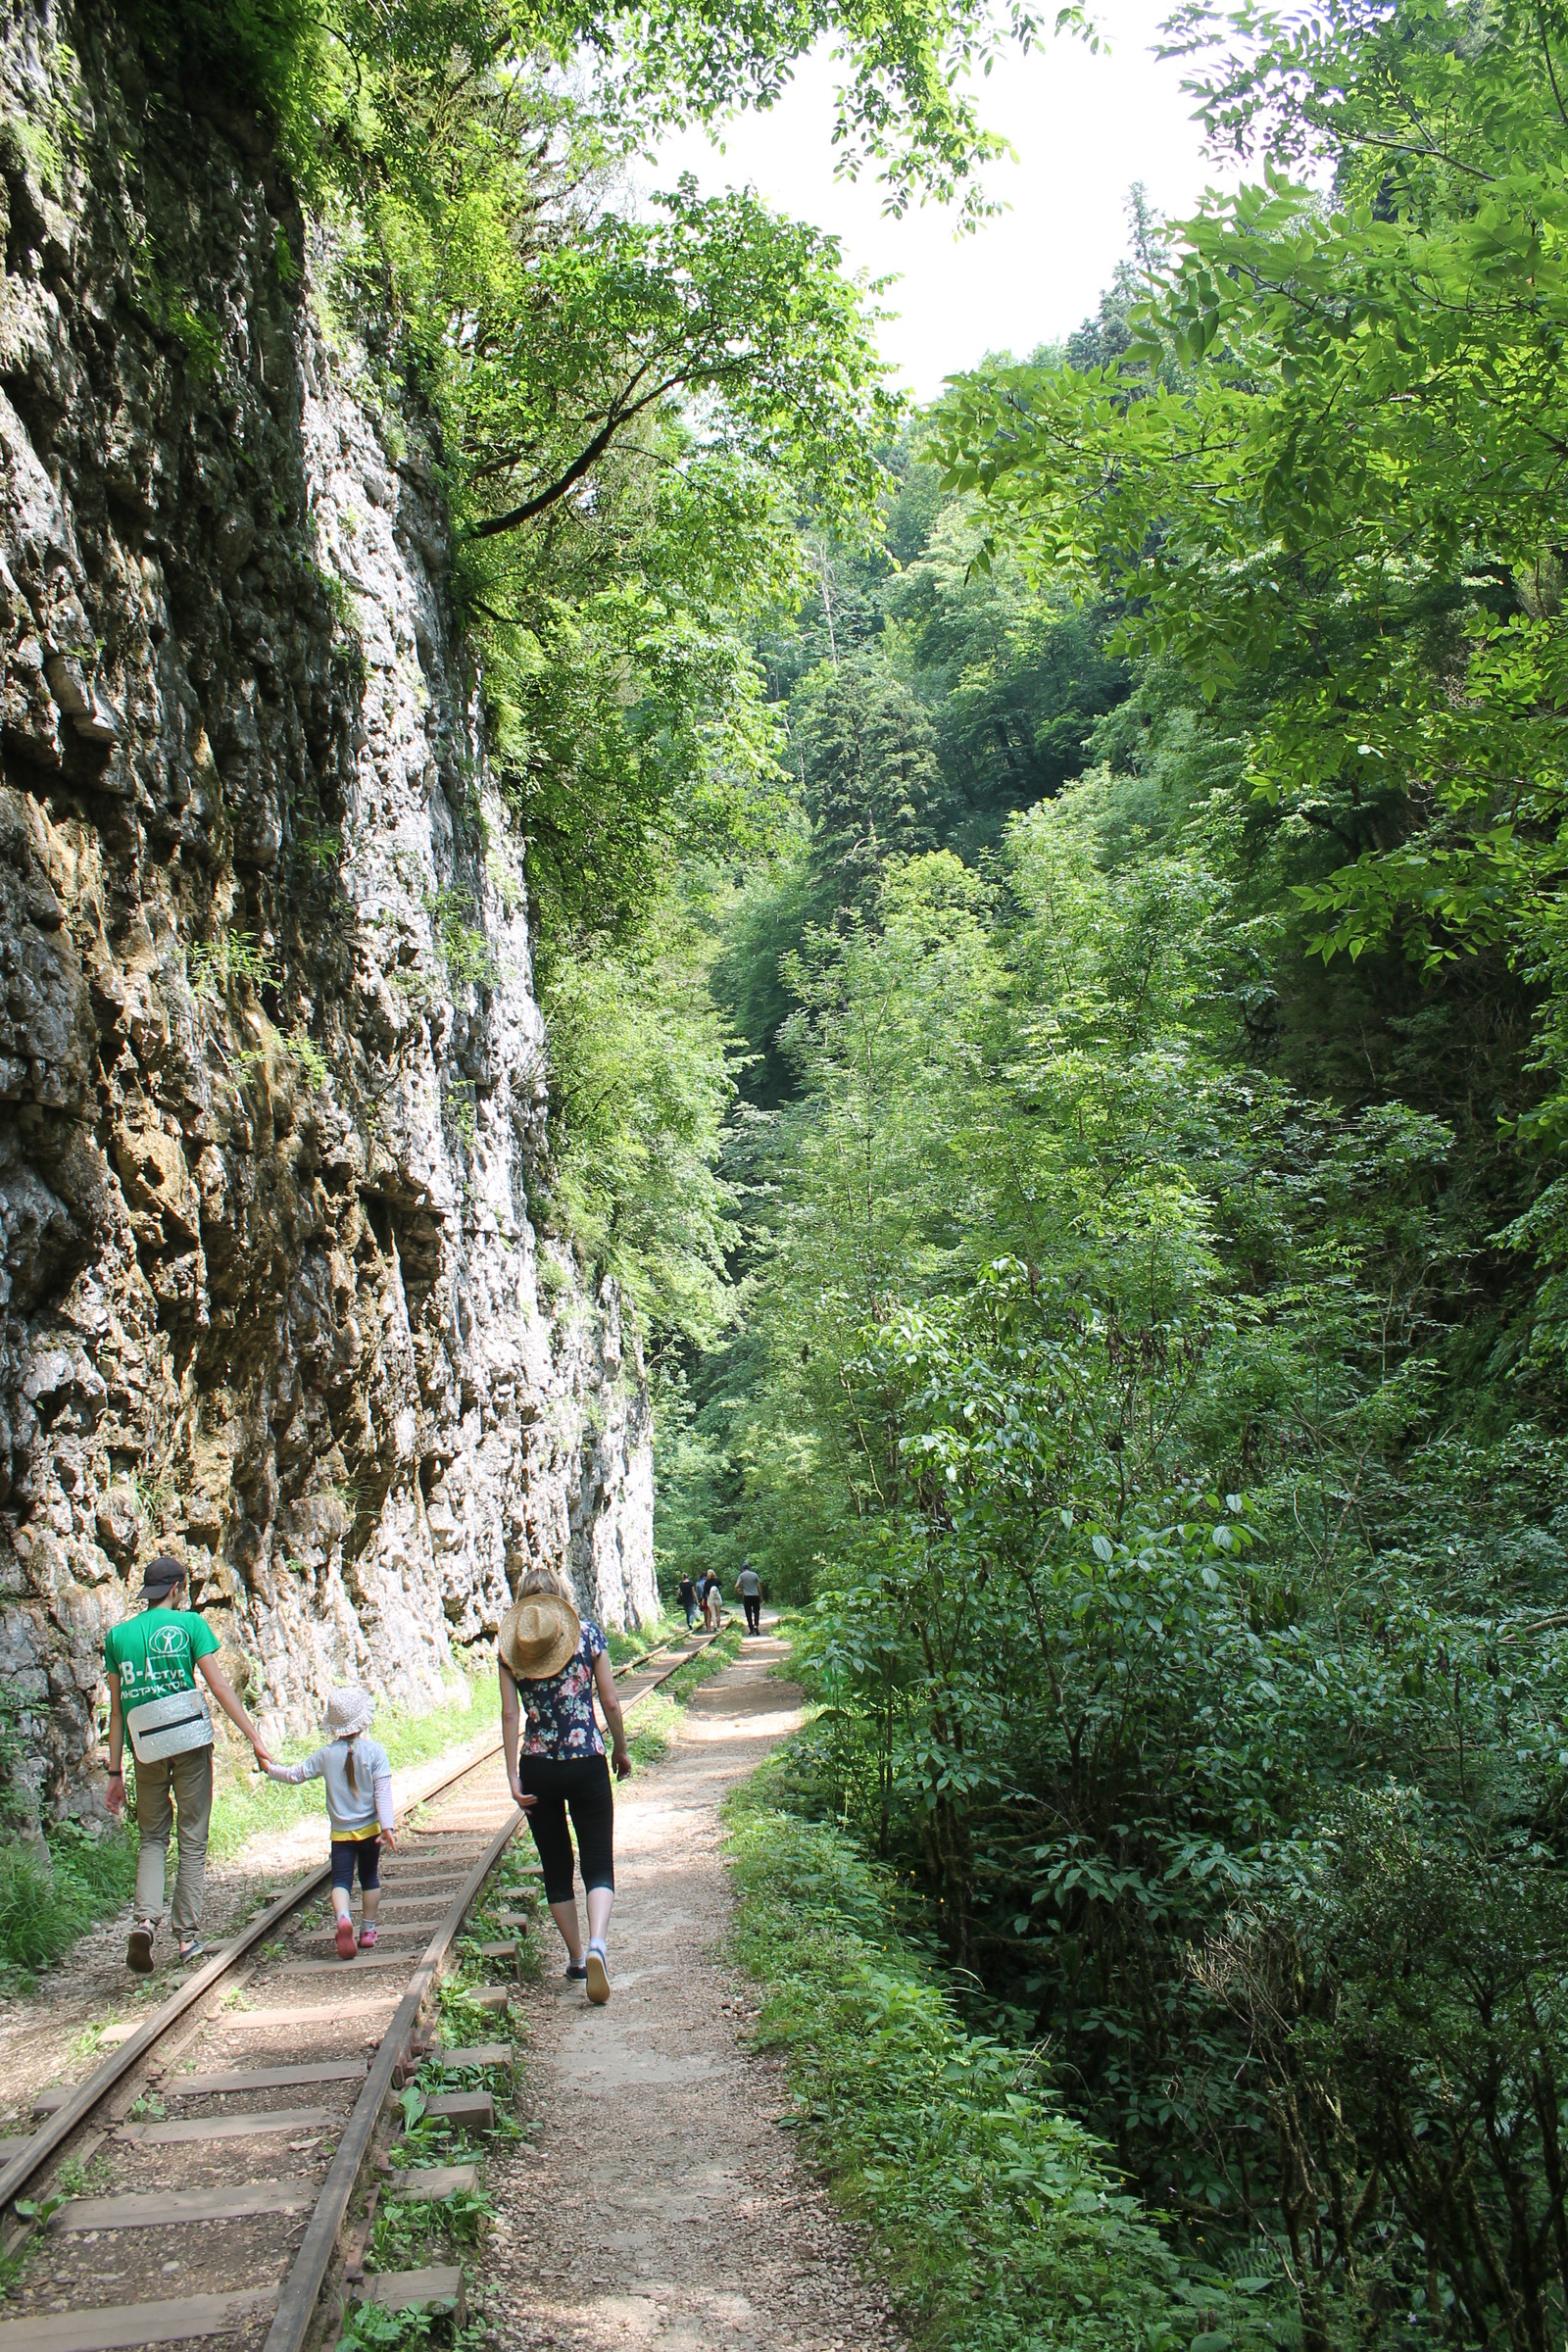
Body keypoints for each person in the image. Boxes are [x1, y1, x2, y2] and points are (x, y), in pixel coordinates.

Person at [104, 1553, 271, 1971]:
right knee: (192, 1838)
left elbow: (117, 1710)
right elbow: (218, 1685)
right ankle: (187, 1938)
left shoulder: (118, 1637)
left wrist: (114, 1772)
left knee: (152, 1839)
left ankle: (145, 1920)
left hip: (146, 1748)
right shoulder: (191, 1625)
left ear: (149, 1592)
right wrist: (254, 1736)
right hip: (189, 1741)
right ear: (177, 1588)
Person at [499, 1569, 630, 2005]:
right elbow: (609, 1701)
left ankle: (575, 1958)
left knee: (556, 1867)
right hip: (586, 1761)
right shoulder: (588, 1636)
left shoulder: (512, 1648)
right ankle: (597, 1944)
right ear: (561, 1600)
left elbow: (509, 1716)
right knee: (597, 1860)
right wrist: (621, 1750)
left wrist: (512, 1775)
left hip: (538, 1768)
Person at [264, 1688, 398, 1957]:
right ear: (363, 1721)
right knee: (369, 1877)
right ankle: (368, 1930)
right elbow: (382, 1791)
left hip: (341, 1836)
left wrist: (270, 1768)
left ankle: (343, 1918)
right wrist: (387, 1826)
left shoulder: (325, 1755)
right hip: (371, 1831)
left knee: (341, 1881)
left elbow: (295, 1774)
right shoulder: (374, 1752)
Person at [735, 1561, 762, 1636]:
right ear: (749, 1567)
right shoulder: (754, 1575)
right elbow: (759, 1586)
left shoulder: (741, 1576)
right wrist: (760, 1596)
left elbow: (736, 1586)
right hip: (755, 1596)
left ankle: (751, 1629)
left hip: (747, 1597)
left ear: (743, 1568)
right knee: (756, 1611)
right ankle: (756, 1625)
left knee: (748, 1613)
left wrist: (739, 1592)